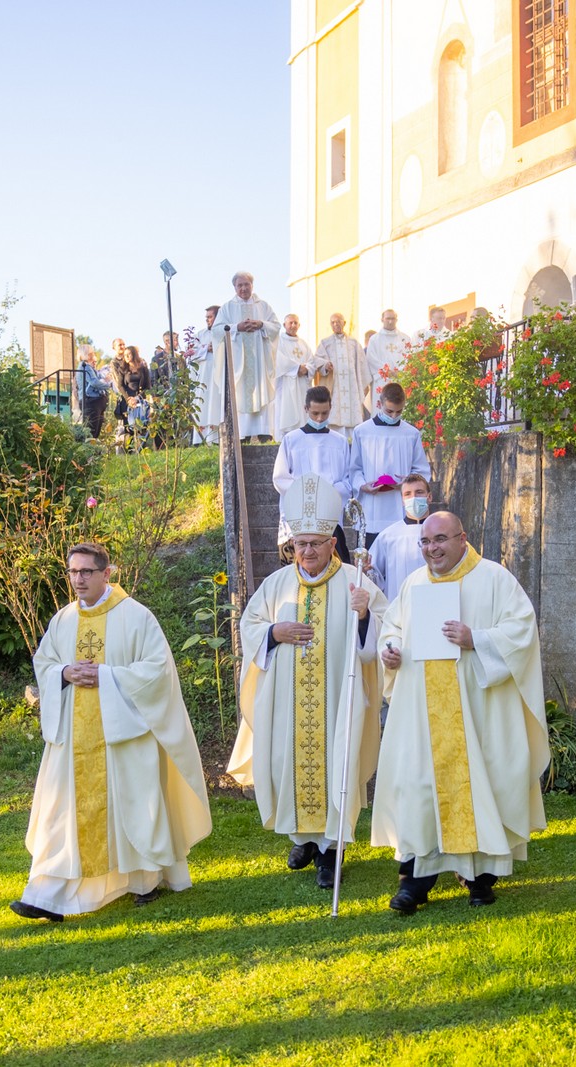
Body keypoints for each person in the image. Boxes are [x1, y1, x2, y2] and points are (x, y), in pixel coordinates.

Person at [11, 542, 213, 922]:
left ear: (107, 573)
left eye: (86, 572)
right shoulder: (63, 620)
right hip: (73, 739)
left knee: (136, 809)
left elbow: (157, 671)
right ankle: (45, 894)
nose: (78, 579)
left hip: (125, 736)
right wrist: (66, 673)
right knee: (61, 815)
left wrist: (106, 675)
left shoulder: (136, 617)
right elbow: (46, 662)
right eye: (72, 572)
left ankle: (144, 880)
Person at [372, 512, 549, 915]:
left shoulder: (494, 578)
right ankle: (414, 884)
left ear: (462, 538)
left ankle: (479, 880)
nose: (432, 548)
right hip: (422, 713)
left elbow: (522, 630)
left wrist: (477, 639)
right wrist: (392, 651)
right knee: (419, 789)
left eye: (440, 539)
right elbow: (392, 628)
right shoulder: (414, 584)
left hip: (477, 710)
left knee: (481, 783)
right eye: (425, 542)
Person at [229, 476, 387, 890]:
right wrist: (274, 632)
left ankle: (330, 850)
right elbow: (250, 626)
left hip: (338, 700)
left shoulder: (356, 583)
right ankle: (303, 839)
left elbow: (383, 638)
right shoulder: (277, 584)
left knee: (336, 765)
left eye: (317, 543)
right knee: (288, 762)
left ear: (332, 544)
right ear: (292, 545)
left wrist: (366, 615)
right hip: (286, 701)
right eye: (301, 544)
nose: (308, 551)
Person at [274, 386, 354, 563]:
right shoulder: (291, 440)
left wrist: (327, 493)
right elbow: (280, 478)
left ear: (330, 408)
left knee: (337, 567)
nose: (320, 418)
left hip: (329, 514)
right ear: (306, 409)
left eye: (324, 413)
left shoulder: (339, 441)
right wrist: (308, 492)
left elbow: (349, 480)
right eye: (315, 413)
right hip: (299, 513)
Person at [349, 382, 431, 546]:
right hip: (372, 508)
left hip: (399, 506)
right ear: (379, 404)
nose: (394, 416)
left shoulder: (411, 434)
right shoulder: (362, 431)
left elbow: (421, 470)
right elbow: (355, 469)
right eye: (389, 411)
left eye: (399, 412)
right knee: (370, 564)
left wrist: (407, 482)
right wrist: (362, 485)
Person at [211, 271, 281, 441]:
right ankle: (242, 436)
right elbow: (217, 330)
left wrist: (261, 324)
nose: (243, 288)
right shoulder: (228, 307)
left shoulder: (263, 306)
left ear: (252, 285)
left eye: (246, 284)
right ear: (234, 287)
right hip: (238, 363)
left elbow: (276, 326)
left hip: (259, 362)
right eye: (239, 285)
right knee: (239, 395)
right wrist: (237, 327)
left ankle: (264, 434)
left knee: (261, 393)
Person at [365, 473, 431, 604]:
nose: (413, 498)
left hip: (434, 604)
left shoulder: (443, 532)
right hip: (398, 607)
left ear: (429, 497)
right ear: (402, 500)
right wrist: (365, 570)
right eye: (408, 494)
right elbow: (375, 579)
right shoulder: (388, 536)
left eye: (419, 492)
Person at [314, 312, 371, 435]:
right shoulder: (325, 342)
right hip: (335, 386)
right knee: (335, 414)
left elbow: (362, 365)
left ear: (344, 323)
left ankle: (352, 437)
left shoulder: (354, 343)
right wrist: (325, 365)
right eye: (333, 322)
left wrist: (363, 385)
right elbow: (317, 359)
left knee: (353, 416)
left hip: (352, 387)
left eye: (338, 321)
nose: (336, 324)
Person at [272, 314, 314, 436]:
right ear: (284, 325)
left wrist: (307, 369)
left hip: (302, 385)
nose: (293, 325)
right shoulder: (278, 342)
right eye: (290, 323)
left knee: (303, 409)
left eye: (296, 323)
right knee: (286, 411)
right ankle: (284, 437)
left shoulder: (304, 344)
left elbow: (312, 361)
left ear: (299, 325)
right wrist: (296, 368)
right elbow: (278, 360)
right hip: (286, 384)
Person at [365, 309, 413, 407]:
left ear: (396, 320)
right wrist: (387, 371)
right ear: (382, 319)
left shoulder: (405, 338)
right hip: (382, 380)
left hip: (400, 378)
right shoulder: (374, 339)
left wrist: (400, 371)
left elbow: (410, 357)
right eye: (388, 318)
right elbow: (371, 359)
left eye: (393, 318)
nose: (390, 321)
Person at [191, 305, 223, 444]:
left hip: (219, 376)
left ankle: (216, 439)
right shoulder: (200, 335)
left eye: (210, 317)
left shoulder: (224, 333)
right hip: (203, 377)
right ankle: (200, 439)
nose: (207, 320)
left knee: (216, 405)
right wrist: (206, 348)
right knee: (203, 406)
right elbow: (190, 355)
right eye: (207, 318)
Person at [119, 346, 151, 449]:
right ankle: (129, 451)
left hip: (140, 400)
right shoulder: (123, 369)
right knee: (129, 427)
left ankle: (141, 449)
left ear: (134, 354)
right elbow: (120, 386)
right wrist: (128, 399)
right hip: (127, 400)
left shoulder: (143, 368)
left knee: (142, 425)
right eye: (125, 355)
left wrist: (137, 398)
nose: (127, 357)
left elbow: (148, 387)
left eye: (129, 354)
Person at [77, 347, 109, 442]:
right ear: (85, 355)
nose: (93, 355)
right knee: (91, 430)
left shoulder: (88, 367)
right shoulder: (85, 366)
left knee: (95, 429)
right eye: (91, 353)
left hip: (93, 400)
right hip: (90, 400)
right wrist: (108, 385)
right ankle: (89, 454)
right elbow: (94, 382)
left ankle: (93, 453)